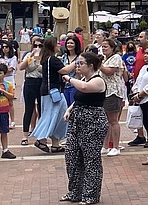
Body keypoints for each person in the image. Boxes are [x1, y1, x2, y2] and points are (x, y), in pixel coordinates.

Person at [61, 52, 108, 204]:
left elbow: (84, 88)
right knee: (72, 157)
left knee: (91, 160)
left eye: (81, 63)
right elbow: (79, 98)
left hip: (93, 122)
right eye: (77, 63)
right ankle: (75, 192)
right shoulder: (83, 79)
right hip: (77, 121)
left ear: (91, 66)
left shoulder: (98, 80)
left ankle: (90, 195)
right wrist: (69, 109)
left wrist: (69, 78)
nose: (78, 66)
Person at [32, 35, 74, 153]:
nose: (59, 45)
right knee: (51, 116)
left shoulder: (47, 59)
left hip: (50, 91)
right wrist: (77, 62)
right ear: (53, 46)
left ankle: (55, 144)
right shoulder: (53, 59)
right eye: (57, 44)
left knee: (58, 116)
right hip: (53, 93)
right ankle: (41, 139)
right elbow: (64, 70)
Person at [99, 38, 125, 156]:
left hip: (113, 92)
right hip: (104, 92)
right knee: (105, 121)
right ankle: (105, 146)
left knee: (113, 120)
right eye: (102, 47)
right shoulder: (104, 59)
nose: (103, 49)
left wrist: (98, 64)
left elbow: (108, 71)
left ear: (112, 48)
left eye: (106, 47)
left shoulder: (116, 58)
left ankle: (115, 146)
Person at [18, 35, 43, 145]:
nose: (37, 47)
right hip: (30, 82)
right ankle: (25, 135)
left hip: (41, 82)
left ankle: (41, 134)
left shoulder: (45, 56)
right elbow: (21, 67)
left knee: (42, 109)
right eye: (35, 45)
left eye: (40, 45)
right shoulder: (28, 55)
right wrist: (31, 57)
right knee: (29, 109)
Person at [0, 63, 16, 160]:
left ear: (4, 74)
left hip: (4, 112)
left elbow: (12, 97)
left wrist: (3, 91)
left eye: (0, 73)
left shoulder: (7, 85)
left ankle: (5, 150)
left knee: (4, 132)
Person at [0, 40, 18, 129]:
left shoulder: (13, 58)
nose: (4, 49)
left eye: (6, 47)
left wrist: (2, 69)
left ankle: (12, 121)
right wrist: (1, 70)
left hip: (9, 79)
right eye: (3, 47)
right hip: (0, 80)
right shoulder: (0, 58)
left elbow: (10, 69)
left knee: (10, 102)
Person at [60, 35, 82, 106]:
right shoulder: (64, 57)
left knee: (73, 106)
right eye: (68, 43)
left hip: (75, 85)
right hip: (64, 86)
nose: (69, 45)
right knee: (65, 106)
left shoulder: (80, 57)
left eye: (72, 43)